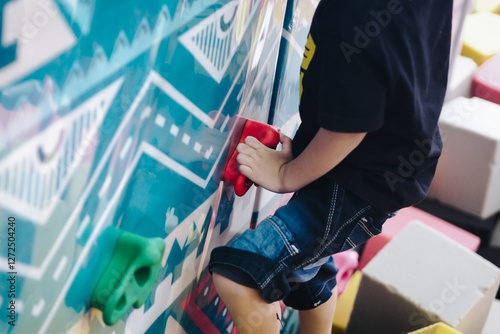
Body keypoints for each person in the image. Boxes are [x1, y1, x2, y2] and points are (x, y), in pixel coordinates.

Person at [209, 0, 453, 332]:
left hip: (360, 181)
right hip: (372, 166)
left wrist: (287, 174)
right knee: (307, 274)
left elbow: (349, 129)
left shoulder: (359, 14)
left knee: (238, 274)